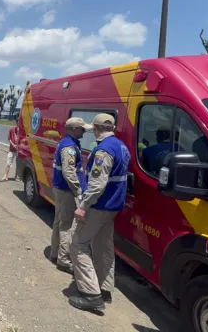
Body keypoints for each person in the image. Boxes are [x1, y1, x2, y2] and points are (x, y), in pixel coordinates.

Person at [69, 113, 131, 311]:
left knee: (77, 244)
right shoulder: (122, 146)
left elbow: (97, 185)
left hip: (98, 207)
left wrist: (83, 206)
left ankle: (90, 294)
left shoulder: (103, 151)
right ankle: (104, 289)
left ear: (95, 129)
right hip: (112, 207)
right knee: (103, 247)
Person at [50, 117, 89, 275]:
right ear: (74, 129)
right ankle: (64, 261)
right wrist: (78, 191)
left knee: (59, 222)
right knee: (66, 225)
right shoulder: (69, 148)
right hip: (67, 191)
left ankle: (55, 253)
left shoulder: (67, 143)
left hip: (61, 189)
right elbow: (69, 172)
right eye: (81, 129)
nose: (84, 131)